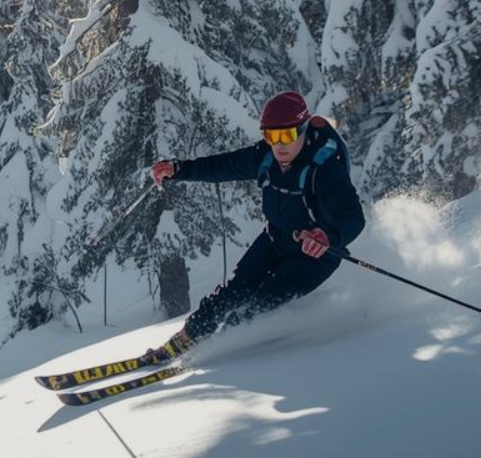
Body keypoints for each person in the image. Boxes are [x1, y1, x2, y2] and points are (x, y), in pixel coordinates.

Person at [148, 91, 366, 354]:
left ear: (303, 130)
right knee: (233, 291)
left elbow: (353, 217)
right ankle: (188, 338)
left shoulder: (325, 167)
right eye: (271, 136)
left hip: (314, 257)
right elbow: (222, 166)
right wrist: (179, 169)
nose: (280, 145)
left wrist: (328, 236)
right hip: (275, 239)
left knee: (260, 305)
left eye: (287, 135)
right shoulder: (265, 157)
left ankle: (218, 351)